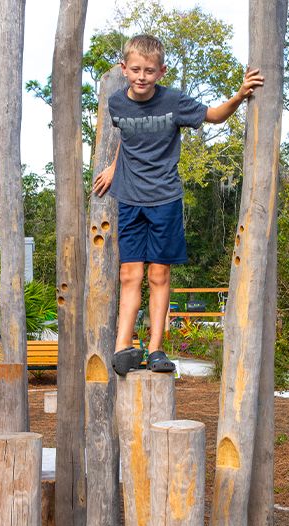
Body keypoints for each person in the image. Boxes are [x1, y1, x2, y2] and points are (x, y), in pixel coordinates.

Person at [93, 34, 264, 376]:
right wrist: (114, 166)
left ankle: (155, 348)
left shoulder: (174, 102)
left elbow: (214, 116)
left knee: (158, 275)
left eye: (150, 71)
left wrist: (240, 95)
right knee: (130, 274)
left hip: (164, 200)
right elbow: (128, 139)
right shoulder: (117, 104)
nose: (142, 76)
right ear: (124, 69)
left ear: (161, 72)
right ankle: (123, 346)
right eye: (136, 69)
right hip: (129, 199)